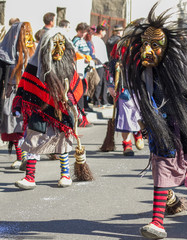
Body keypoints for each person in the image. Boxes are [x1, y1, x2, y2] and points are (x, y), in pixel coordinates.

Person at [119, 4, 187, 238]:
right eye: (145, 45)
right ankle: (157, 222)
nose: (148, 50)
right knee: (161, 168)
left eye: (155, 46)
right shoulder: (144, 73)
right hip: (164, 128)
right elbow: (138, 100)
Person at [13, 28, 87, 190]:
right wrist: (18, 105)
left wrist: (73, 103)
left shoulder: (68, 65)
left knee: (63, 141)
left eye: (62, 44)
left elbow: (77, 85)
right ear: (46, 47)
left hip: (63, 108)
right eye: (54, 45)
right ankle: (30, 177)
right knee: (34, 139)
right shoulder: (35, 65)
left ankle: (65, 174)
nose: (58, 50)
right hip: (39, 108)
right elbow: (25, 85)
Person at [0, 22, 36, 169]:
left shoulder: (33, 51)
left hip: (30, 93)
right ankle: (20, 156)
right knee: (14, 124)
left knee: (25, 125)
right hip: (13, 92)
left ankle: (28, 156)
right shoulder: (7, 53)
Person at [91, 25, 110, 108]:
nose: (105, 33)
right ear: (101, 31)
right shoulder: (95, 40)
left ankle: (102, 100)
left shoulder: (99, 40)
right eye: (105, 31)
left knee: (102, 82)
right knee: (98, 82)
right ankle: (96, 100)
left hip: (102, 64)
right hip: (98, 64)